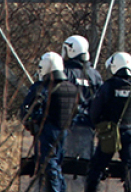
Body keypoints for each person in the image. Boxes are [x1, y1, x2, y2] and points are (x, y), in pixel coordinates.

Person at [85, 52, 131, 192]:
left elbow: (95, 111)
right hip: (129, 132)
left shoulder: (107, 87)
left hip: (109, 134)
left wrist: (99, 125)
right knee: (130, 169)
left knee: (96, 167)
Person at [20, 52, 79, 192]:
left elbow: (25, 110)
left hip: (47, 131)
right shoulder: (71, 88)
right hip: (64, 131)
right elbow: (76, 110)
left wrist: (31, 122)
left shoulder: (41, 88)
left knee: (48, 164)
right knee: (58, 165)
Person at [61, 35, 103, 128]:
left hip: (69, 122)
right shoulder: (95, 74)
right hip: (89, 123)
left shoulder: (65, 72)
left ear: (72, 50)